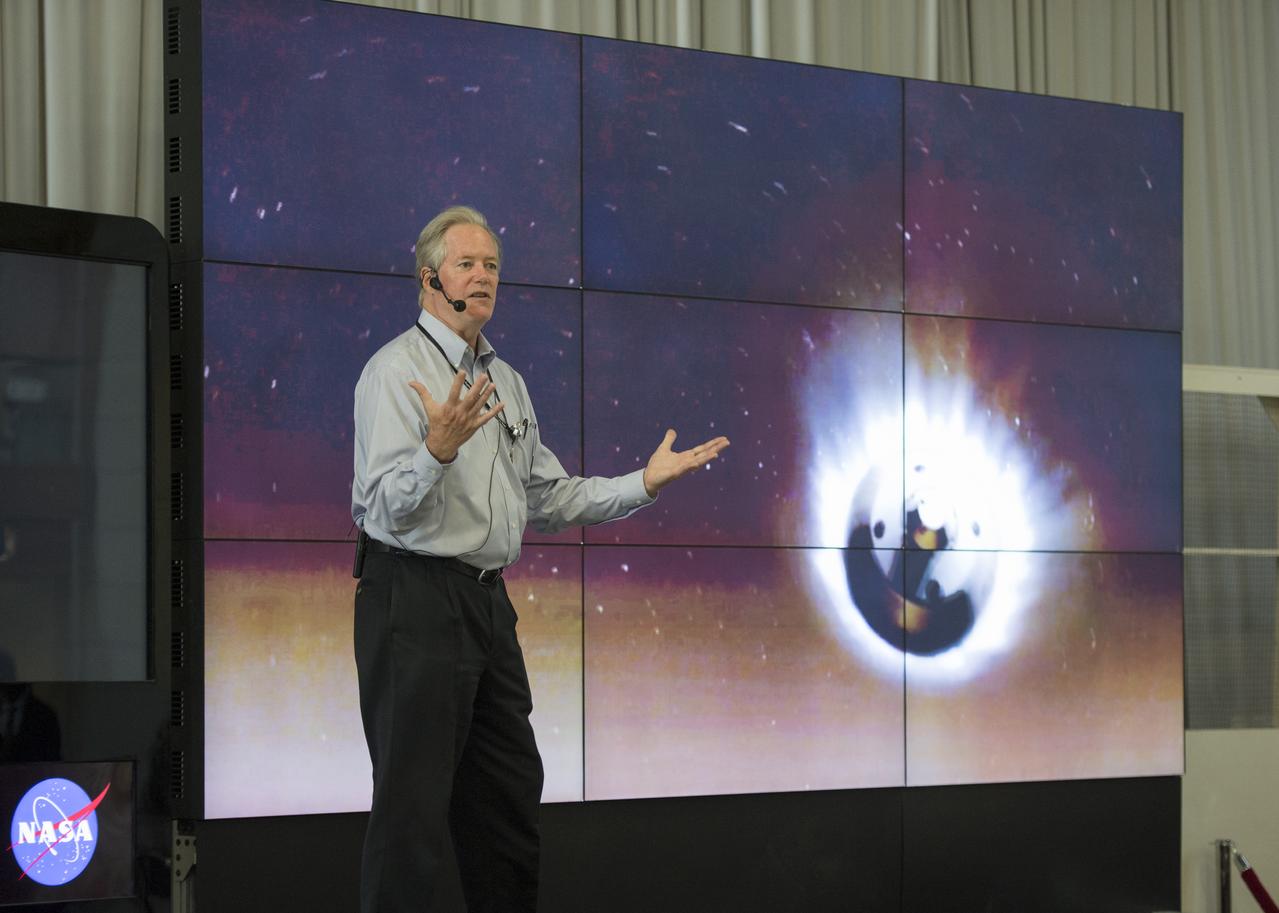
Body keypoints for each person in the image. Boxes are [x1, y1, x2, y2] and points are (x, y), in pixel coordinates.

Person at [351, 205, 729, 913]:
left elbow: (547, 496)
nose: (485, 275)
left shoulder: (508, 382)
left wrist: (641, 484)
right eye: (467, 263)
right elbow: (382, 510)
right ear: (430, 278)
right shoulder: (393, 373)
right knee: (410, 811)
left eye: (492, 264)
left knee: (506, 797)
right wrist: (435, 451)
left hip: (486, 603)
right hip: (412, 599)